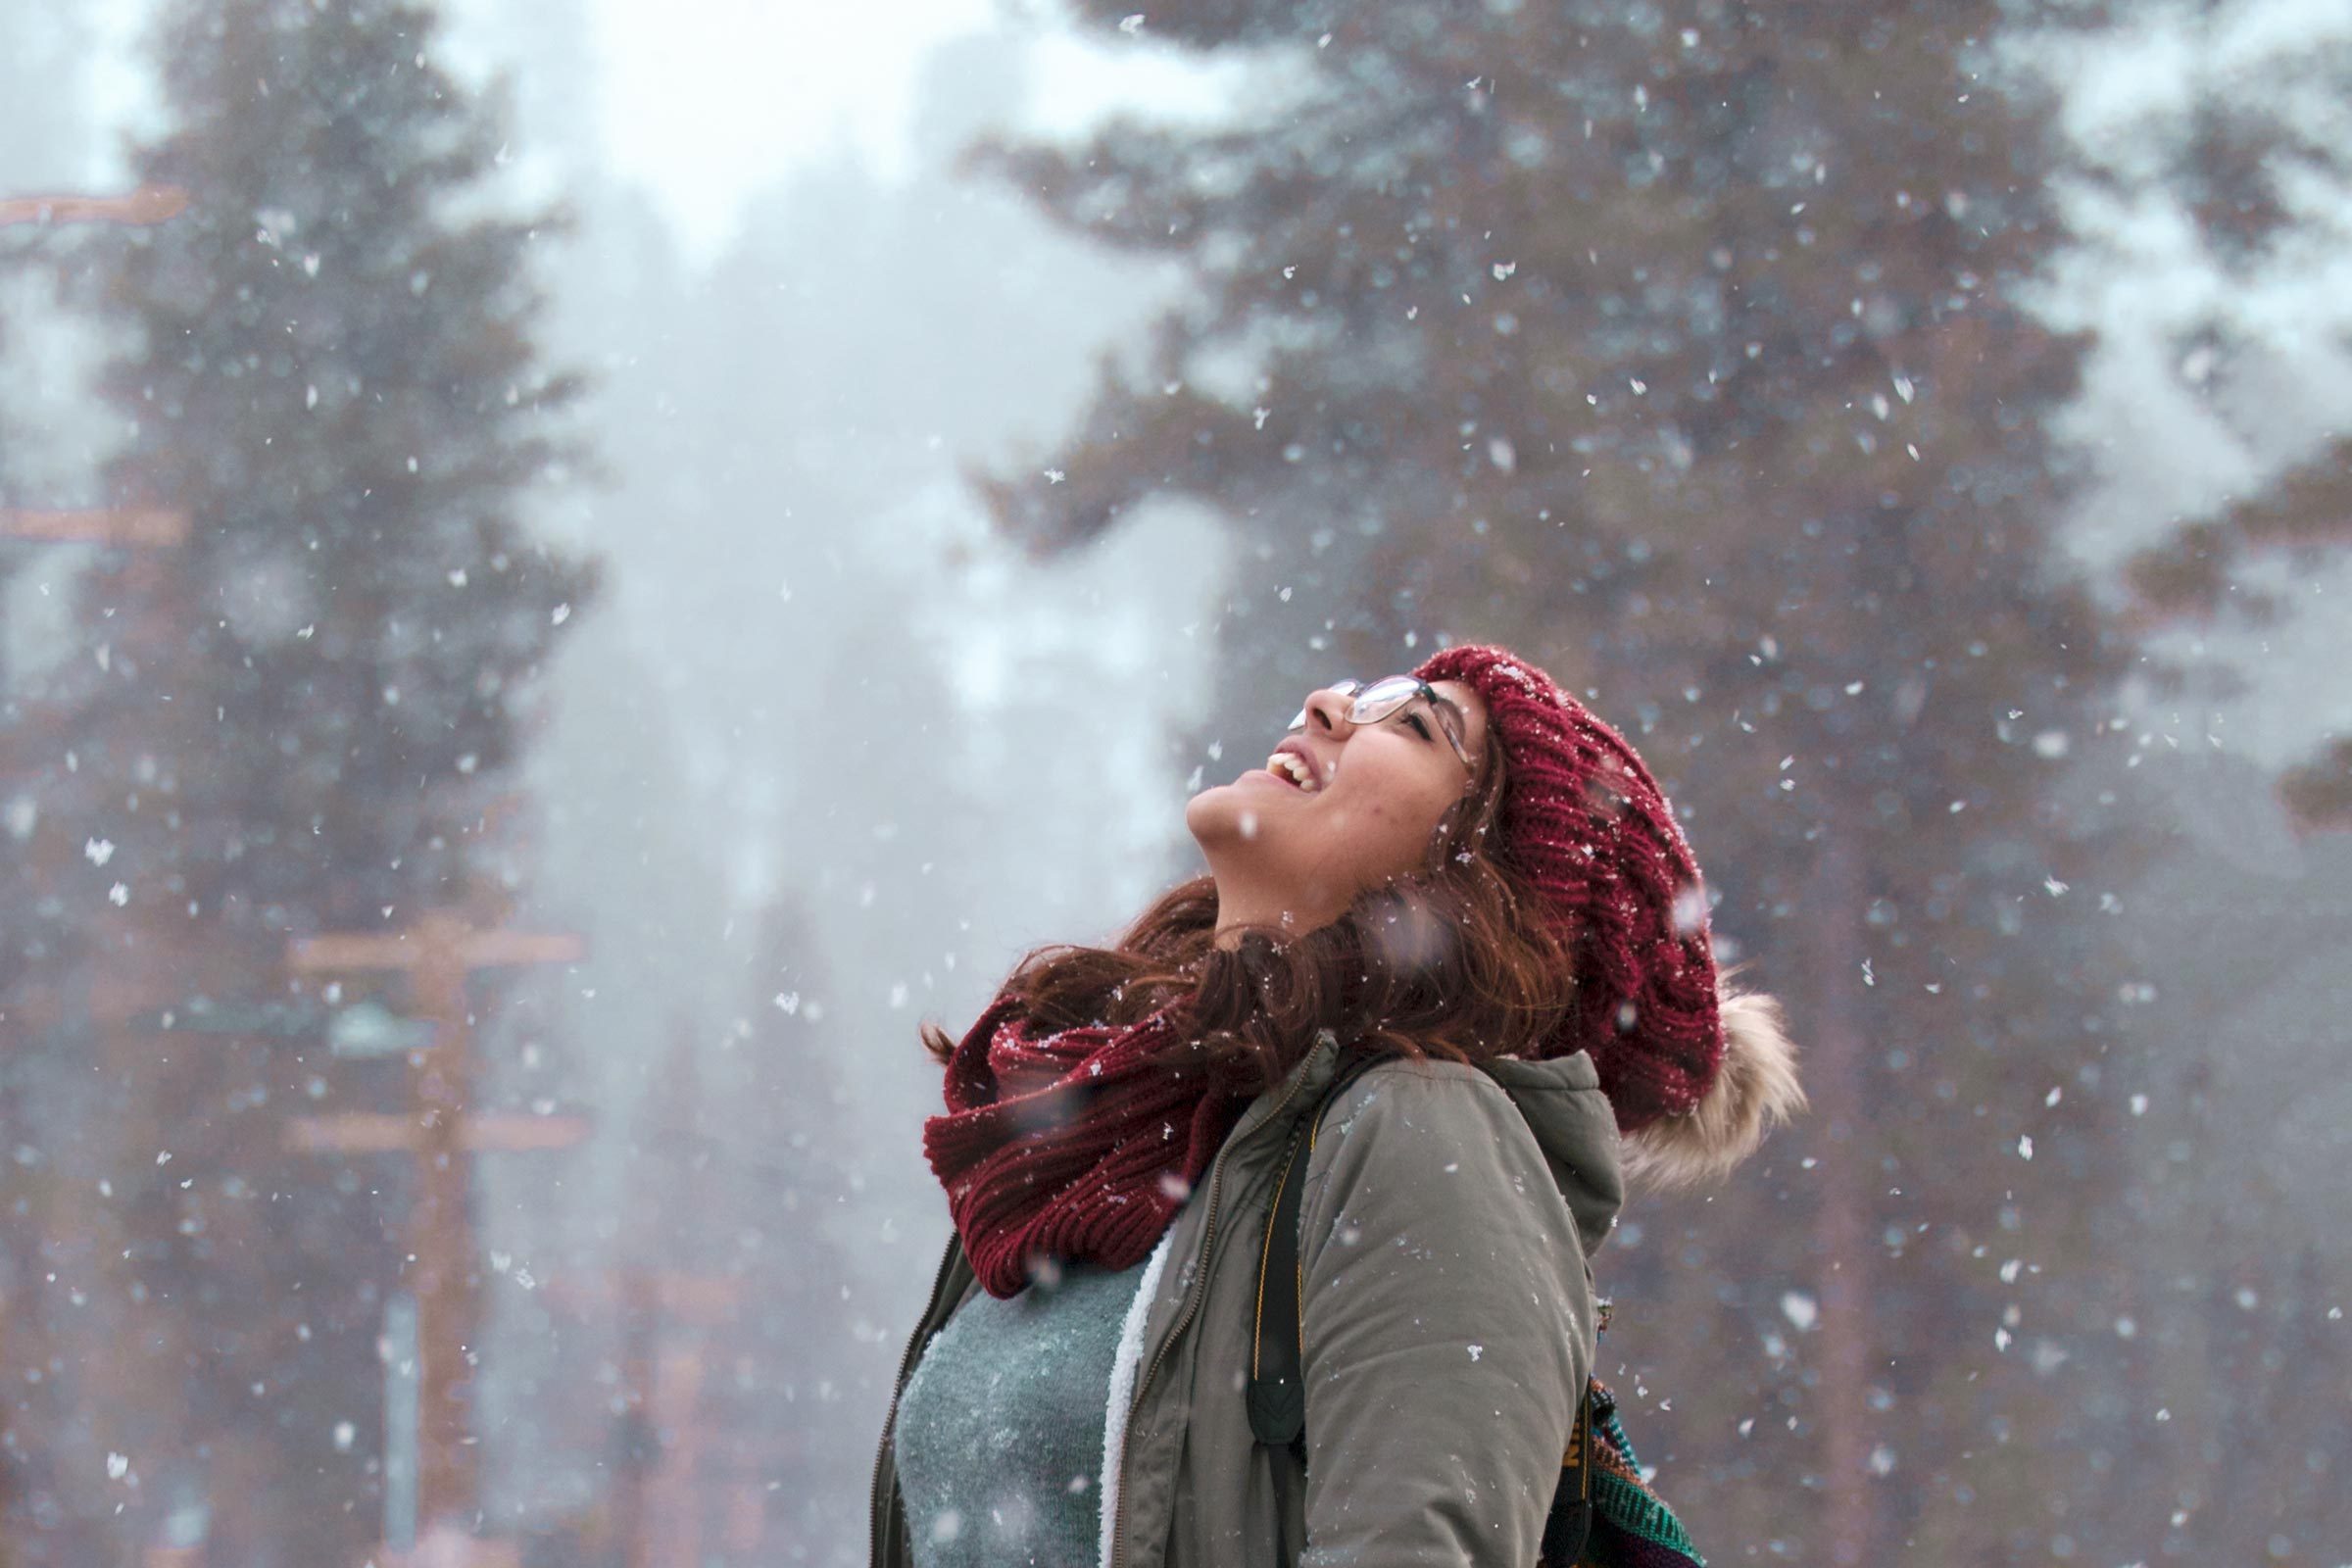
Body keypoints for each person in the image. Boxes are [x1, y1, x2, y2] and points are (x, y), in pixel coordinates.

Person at [870, 643, 1805, 1568]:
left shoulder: (1421, 1135)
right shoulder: (1093, 1145)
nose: (1324, 705)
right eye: (1367, 692)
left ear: (1473, 885)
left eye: (1414, 723)